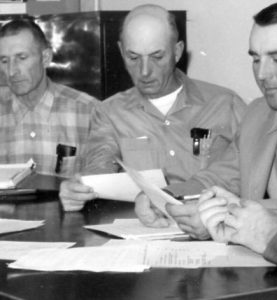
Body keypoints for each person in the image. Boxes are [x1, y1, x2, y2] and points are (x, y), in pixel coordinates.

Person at [152, 0, 277, 272]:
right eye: (256, 58)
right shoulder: (258, 113)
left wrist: (236, 214)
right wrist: (165, 197)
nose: (262, 74)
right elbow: (221, 176)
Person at [59, 4, 246, 211]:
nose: (145, 71)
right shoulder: (109, 113)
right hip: (144, 229)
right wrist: (78, 191)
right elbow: (98, 168)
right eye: (133, 58)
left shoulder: (225, 105)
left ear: (177, 51)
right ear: (121, 51)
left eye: (157, 57)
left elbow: (249, 173)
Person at [0, 18, 100, 177]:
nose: (12, 71)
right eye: (4, 60)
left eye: (22, 57)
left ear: (45, 58)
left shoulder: (88, 112)